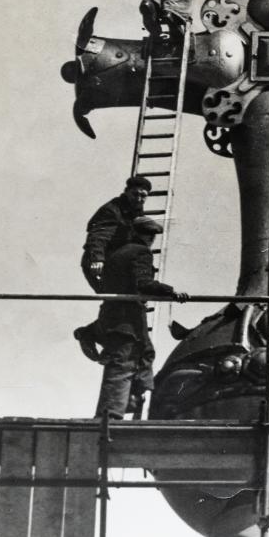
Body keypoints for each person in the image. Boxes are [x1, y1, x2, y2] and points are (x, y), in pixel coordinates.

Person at [75, 215, 188, 419]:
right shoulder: (141, 252)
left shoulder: (114, 253)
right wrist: (171, 292)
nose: (151, 239)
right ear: (138, 234)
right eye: (149, 234)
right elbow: (143, 283)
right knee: (124, 361)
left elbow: (92, 273)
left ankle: (133, 398)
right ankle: (109, 416)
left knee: (146, 353)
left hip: (115, 313)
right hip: (126, 317)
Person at [81, 175, 156, 293]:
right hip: (101, 261)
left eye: (143, 196)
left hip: (117, 261)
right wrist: (97, 260)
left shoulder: (136, 213)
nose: (138, 199)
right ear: (126, 192)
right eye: (135, 194)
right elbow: (99, 235)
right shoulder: (112, 210)